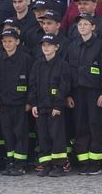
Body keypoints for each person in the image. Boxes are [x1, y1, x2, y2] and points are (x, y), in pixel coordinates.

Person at [67, 13, 102, 175]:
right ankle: (83, 160)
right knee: (80, 125)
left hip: (94, 91)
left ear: (93, 27)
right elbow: (68, 73)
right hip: (77, 92)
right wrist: (68, 94)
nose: (82, 27)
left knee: (95, 124)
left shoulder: (101, 46)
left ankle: (96, 162)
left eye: (86, 24)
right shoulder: (73, 46)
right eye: (80, 25)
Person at [28, 33, 71, 177]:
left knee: (57, 136)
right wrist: (34, 104)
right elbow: (33, 85)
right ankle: (46, 164)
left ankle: (59, 165)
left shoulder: (63, 65)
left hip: (55, 107)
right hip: (41, 106)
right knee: (43, 136)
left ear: (56, 47)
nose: (46, 48)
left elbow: (64, 87)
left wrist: (58, 106)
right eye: (44, 45)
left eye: (49, 45)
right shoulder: (37, 65)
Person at [0, 29, 33, 176]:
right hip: (4, 103)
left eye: (10, 41)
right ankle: (10, 161)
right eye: (4, 41)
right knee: (7, 133)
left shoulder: (26, 59)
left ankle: (20, 163)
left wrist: (29, 101)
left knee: (20, 133)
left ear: (17, 42)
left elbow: (32, 81)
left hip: (20, 103)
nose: (7, 44)